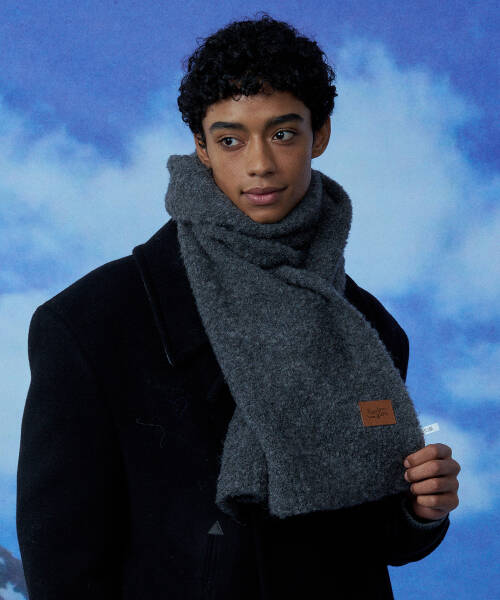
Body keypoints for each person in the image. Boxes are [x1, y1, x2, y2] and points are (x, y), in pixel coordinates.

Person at [16, 13, 460, 600]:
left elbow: (368, 537)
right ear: (200, 147)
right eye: (230, 139)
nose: (259, 164)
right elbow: (61, 563)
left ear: (320, 134)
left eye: (283, 134)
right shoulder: (90, 325)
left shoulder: (369, 329)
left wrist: (420, 509)